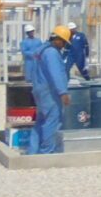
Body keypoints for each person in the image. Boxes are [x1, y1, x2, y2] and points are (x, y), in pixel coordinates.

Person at [30, 26, 71, 154]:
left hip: (39, 89)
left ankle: (32, 151)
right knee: (52, 121)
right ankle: (46, 152)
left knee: (40, 122)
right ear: (57, 39)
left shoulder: (41, 50)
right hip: (50, 92)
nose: (64, 46)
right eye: (63, 42)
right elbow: (56, 73)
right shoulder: (52, 53)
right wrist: (63, 92)